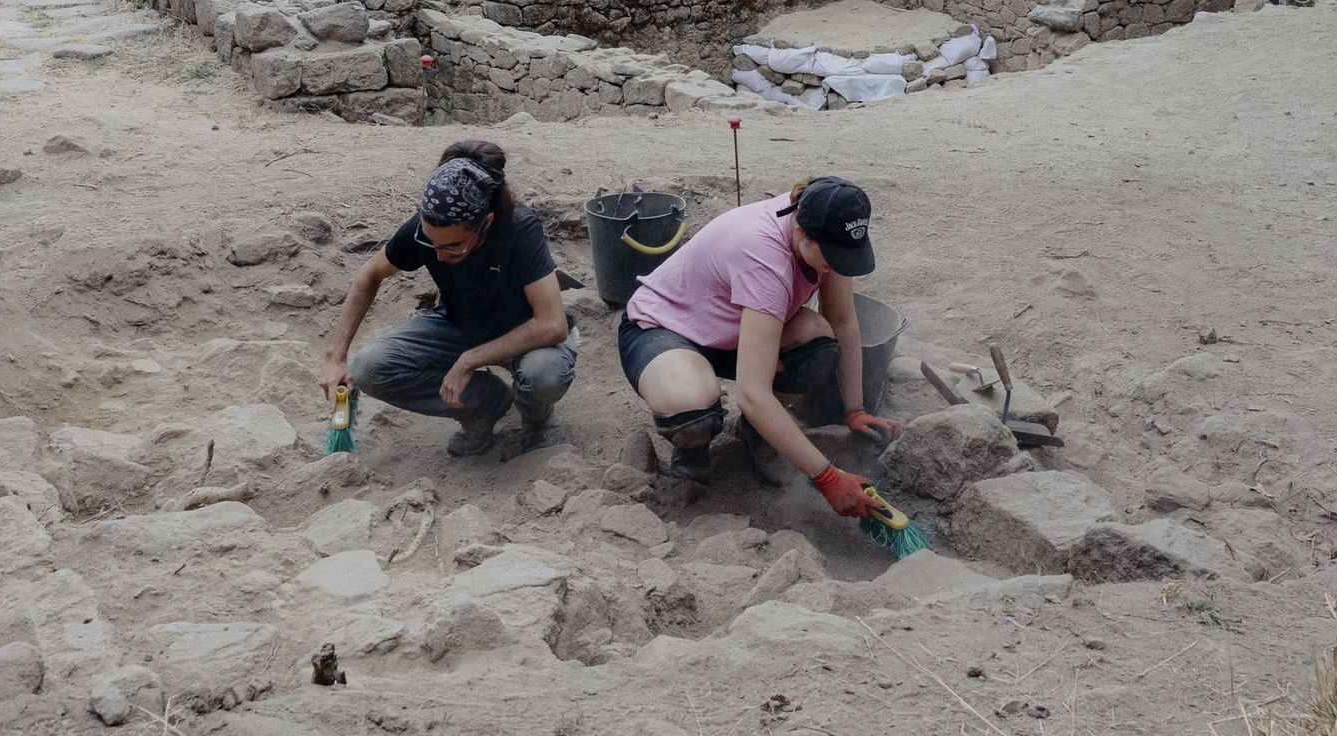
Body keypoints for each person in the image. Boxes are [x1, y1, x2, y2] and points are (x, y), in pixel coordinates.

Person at [618, 176, 902, 518]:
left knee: (816, 346)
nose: (837, 264)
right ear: (800, 231)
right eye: (831, 256)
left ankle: (757, 434)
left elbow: (841, 321)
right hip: (665, 329)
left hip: (735, 330)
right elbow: (752, 394)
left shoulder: (824, 222)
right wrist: (828, 478)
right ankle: (692, 451)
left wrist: (855, 410)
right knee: (692, 409)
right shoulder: (765, 257)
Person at [318, 141, 576, 458]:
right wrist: (335, 356)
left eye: (452, 247)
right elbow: (369, 275)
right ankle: (485, 405)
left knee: (543, 375)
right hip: (461, 324)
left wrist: (470, 360)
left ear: (487, 223)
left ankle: (538, 424)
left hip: (527, 332)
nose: (439, 256)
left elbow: (552, 324)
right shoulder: (427, 230)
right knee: (370, 367)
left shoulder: (519, 230)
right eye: (432, 244)